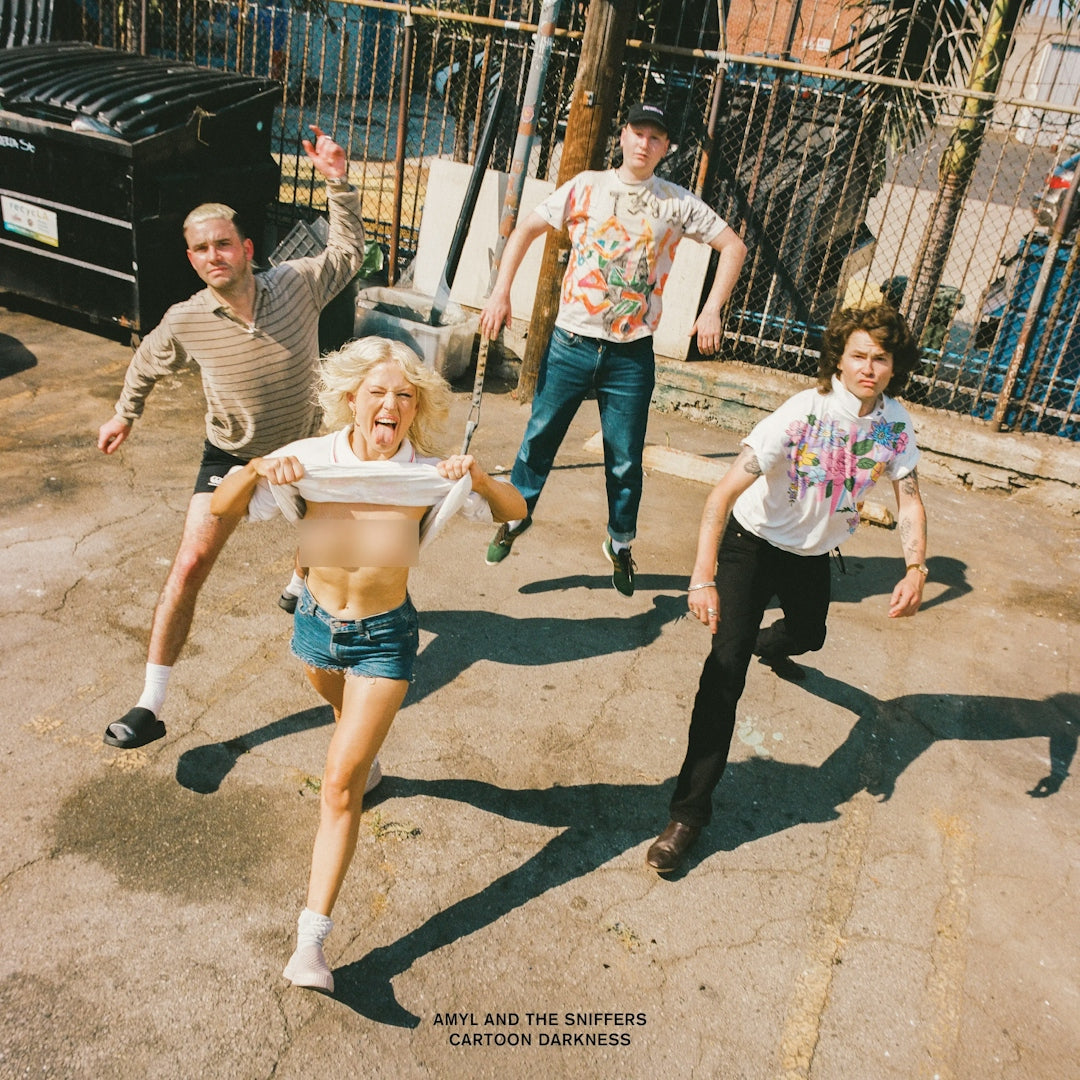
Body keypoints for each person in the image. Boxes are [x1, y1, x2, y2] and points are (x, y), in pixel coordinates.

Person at [209, 336, 526, 993]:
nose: (391, 404)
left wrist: (479, 477)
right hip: (315, 627)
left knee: (338, 782)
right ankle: (364, 754)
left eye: (404, 396)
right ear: (351, 399)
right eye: (377, 392)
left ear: (416, 409)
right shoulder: (310, 459)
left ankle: (310, 945)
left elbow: (515, 511)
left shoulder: (427, 472)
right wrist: (259, 467)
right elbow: (224, 505)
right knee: (345, 727)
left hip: (385, 637)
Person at [98, 126, 366, 750]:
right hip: (232, 456)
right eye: (200, 249)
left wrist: (337, 180)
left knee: (331, 549)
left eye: (223, 243)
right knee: (190, 563)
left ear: (246, 248)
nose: (213, 255)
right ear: (191, 260)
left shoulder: (297, 282)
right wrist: (124, 414)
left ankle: (299, 583)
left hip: (304, 449)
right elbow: (145, 362)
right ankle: (150, 702)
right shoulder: (185, 320)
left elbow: (349, 251)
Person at [646, 303, 929, 873]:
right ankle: (687, 816)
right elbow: (721, 495)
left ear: (895, 365)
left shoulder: (894, 426)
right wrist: (702, 578)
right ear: (839, 359)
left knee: (808, 635)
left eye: (880, 358)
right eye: (858, 356)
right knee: (723, 676)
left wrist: (916, 568)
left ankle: (765, 643)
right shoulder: (802, 413)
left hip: (812, 557)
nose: (868, 368)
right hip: (751, 546)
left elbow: (911, 500)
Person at [478, 101, 746, 596]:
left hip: (630, 355)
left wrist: (712, 310)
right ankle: (516, 516)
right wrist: (500, 292)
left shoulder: (676, 202)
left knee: (624, 459)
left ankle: (620, 543)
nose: (644, 143)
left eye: (655, 137)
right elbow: (526, 229)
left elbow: (734, 246)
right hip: (571, 343)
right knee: (539, 439)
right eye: (637, 132)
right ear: (622, 136)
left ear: (666, 148)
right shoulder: (586, 187)